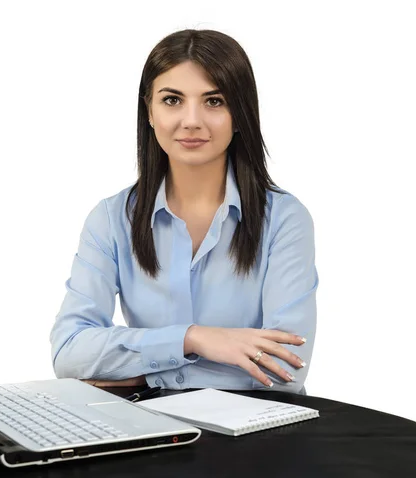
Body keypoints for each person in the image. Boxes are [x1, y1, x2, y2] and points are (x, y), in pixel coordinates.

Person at [49, 29, 318, 395]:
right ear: (149, 111)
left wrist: (146, 373)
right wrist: (194, 339)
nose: (191, 120)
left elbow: (284, 368)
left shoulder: (285, 220)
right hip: (149, 428)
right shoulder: (111, 219)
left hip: (257, 433)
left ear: (240, 114)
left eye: (214, 101)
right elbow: (69, 352)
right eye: (173, 100)